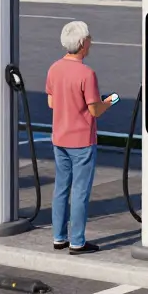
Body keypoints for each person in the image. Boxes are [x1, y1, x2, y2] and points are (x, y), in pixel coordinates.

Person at [45, 21, 114, 255]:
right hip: (82, 140)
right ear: (83, 43)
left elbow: (52, 102)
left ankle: (59, 237)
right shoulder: (87, 73)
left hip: (60, 137)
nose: (91, 41)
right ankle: (77, 241)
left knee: (61, 188)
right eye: (89, 38)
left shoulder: (54, 68)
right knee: (80, 192)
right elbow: (94, 110)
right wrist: (109, 102)